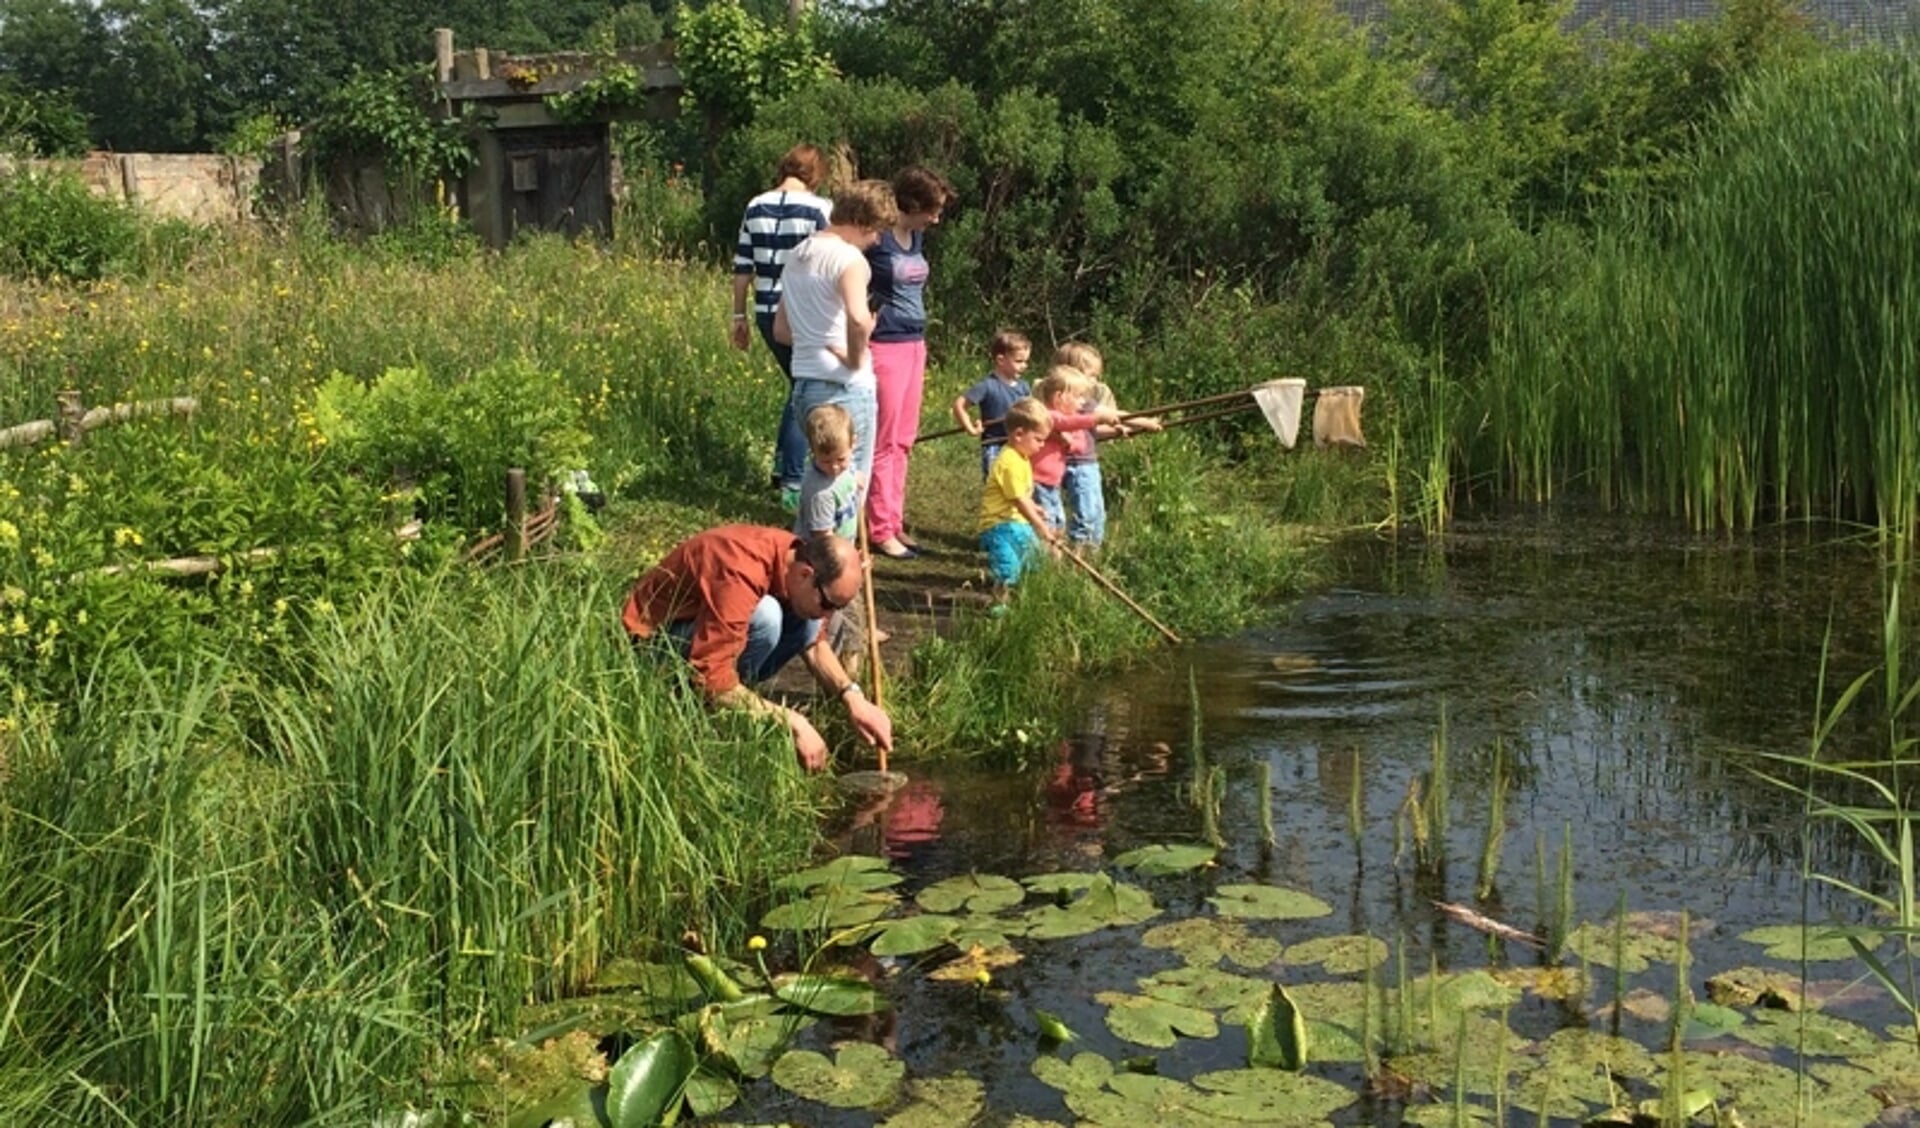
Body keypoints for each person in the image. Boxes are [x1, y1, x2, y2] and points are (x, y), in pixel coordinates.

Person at [622, 524, 893, 771]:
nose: (828, 615)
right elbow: (711, 677)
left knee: (806, 621)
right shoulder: (740, 569)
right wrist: (794, 722)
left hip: (703, 636)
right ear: (805, 574)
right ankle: (701, 711)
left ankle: (737, 706)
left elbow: (814, 644)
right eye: (829, 604)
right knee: (767, 616)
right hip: (650, 649)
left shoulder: (794, 556)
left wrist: (853, 697)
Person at [774, 180, 897, 501]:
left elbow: (781, 331)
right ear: (862, 222)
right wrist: (856, 355)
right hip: (846, 386)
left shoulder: (796, 255)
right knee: (848, 489)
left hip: (805, 386)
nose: (877, 239)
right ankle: (841, 549)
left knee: (819, 483)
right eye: (876, 231)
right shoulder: (850, 260)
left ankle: (815, 544)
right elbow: (858, 319)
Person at [730, 144, 834, 506]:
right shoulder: (820, 209)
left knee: (796, 384)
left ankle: (781, 467)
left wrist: (738, 316)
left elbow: (743, 266)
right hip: (801, 311)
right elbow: (827, 259)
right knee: (804, 387)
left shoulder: (754, 205)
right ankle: (791, 477)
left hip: (765, 308)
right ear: (816, 173)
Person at [865, 166, 956, 561]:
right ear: (913, 203)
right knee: (883, 441)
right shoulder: (878, 239)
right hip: (883, 343)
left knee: (904, 440)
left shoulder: (915, 236)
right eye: (932, 210)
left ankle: (894, 520)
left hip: (914, 341)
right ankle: (879, 528)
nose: (936, 219)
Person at [1055, 341, 1162, 549]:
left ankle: (1092, 549)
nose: (1096, 382)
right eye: (1092, 375)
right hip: (1076, 465)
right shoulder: (1072, 404)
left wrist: (1124, 429)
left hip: (1089, 463)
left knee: (1097, 510)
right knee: (1085, 512)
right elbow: (1114, 415)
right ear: (1072, 373)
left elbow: (1094, 429)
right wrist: (1145, 421)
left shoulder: (1085, 402)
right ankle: (1080, 552)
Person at [793, 402, 879, 658]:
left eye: (840, 459)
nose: (834, 467)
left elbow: (849, 474)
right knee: (834, 622)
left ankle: (853, 662)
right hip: (826, 568)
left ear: (853, 443)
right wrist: (851, 565)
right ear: (813, 452)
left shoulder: (846, 469)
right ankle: (837, 676)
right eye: (825, 460)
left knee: (853, 619)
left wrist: (855, 480)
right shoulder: (821, 493)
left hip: (845, 556)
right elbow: (824, 545)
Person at [978, 398, 1061, 591]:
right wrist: (1040, 526)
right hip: (1000, 525)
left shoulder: (1021, 458)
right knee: (1008, 568)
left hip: (1017, 522)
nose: (1042, 445)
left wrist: (1035, 508)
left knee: (1034, 562)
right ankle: (1001, 605)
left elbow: (1022, 497)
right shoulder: (1009, 462)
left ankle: (1024, 603)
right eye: (1038, 439)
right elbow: (1018, 499)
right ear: (1019, 434)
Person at [1029, 368, 1123, 534]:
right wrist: (1097, 419)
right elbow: (1069, 423)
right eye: (1079, 396)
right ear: (1059, 397)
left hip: (1051, 480)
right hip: (1040, 479)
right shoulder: (1049, 415)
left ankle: (1054, 554)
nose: (1083, 402)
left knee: (1058, 519)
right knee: (1048, 518)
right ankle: (1046, 553)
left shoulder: (1059, 418)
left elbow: (1077, 443)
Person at [951, 330, 1034, 479]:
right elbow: (960, 404)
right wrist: (969, 427)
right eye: (1019, 361)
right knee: (995, 484)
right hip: (994, 445)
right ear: (1001, 360)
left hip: (1018, 444)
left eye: (1026, 361)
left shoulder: (1024, 387)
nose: (1024, 366)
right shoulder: (987, 386)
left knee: (1019, 484)